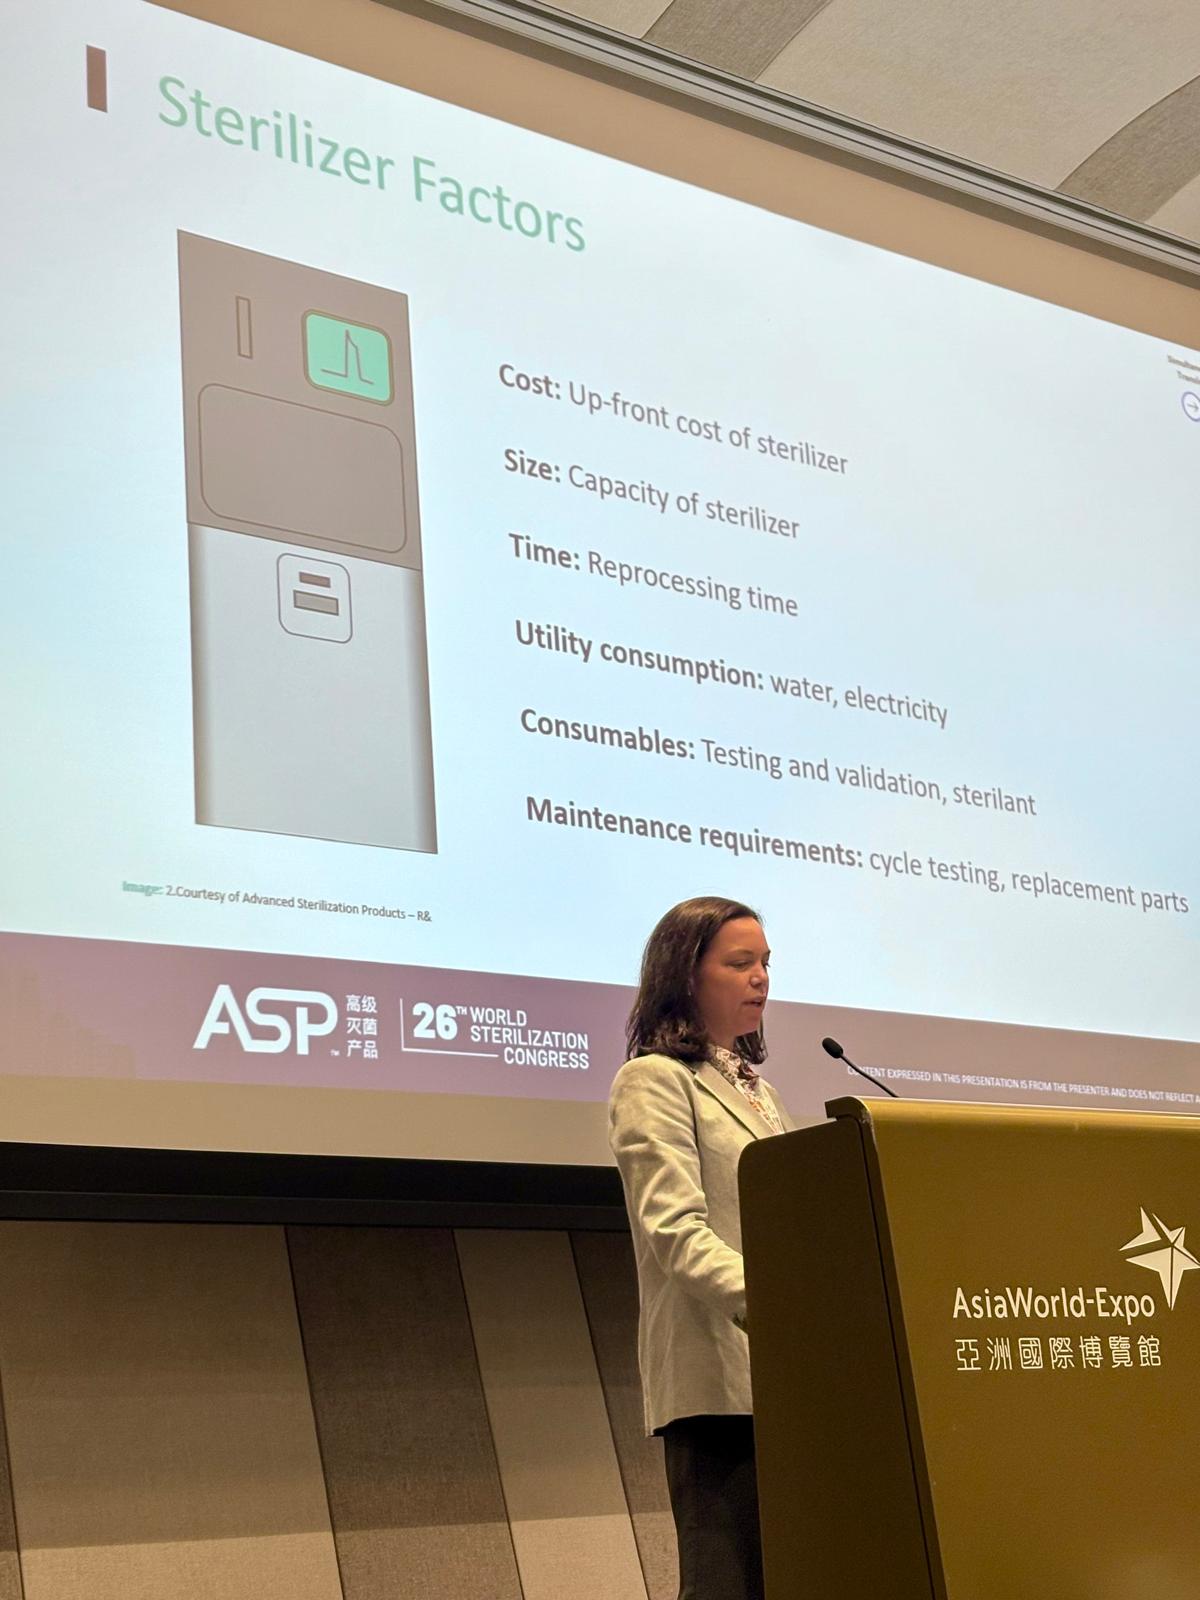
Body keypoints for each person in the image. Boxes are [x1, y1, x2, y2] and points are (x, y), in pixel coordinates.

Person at [609, 896, 793, 1600]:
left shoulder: (761, 1094)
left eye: (766, 963)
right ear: (685, 975)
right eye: (740, 963)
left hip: (786, 1379)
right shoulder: (653, 1080)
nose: (761, 978)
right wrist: (784, 1306)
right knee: (726, 1585)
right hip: (716, 1378)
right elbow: (675, 1231)